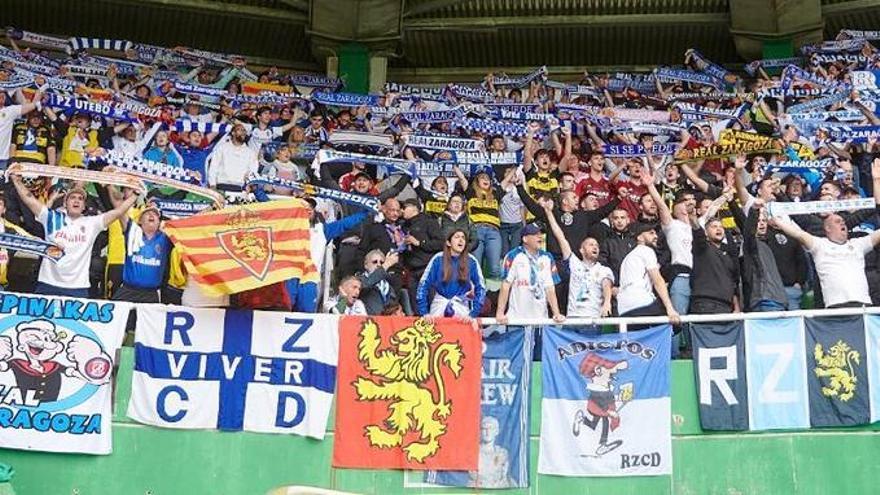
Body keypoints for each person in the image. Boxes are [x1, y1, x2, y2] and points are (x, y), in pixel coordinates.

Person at [769, 159, 880, 308]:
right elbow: (795, 221)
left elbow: (873, 209)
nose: (824, 201)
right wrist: (779, 195)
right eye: (821, 200)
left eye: (829, 201)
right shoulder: (812, 224)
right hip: (825, 287)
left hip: (860, 297)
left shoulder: (846, 223)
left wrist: (876, 180)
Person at [9, 173, 138, 298]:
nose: (76, 201)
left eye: (80, 199)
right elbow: (29, 199)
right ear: (65, 203)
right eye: (72, 197)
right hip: (47, 283)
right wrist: (16, 181)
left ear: (84, 207)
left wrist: (136, 195)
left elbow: (119, 211)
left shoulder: (92, 223)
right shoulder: (51, 217)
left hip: (78, 287)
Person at [542, 201, 613, 319]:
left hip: (593, 318)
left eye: (596, 245)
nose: (595, 247)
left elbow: (607, 286)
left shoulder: (603, 270)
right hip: (573, 318)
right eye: (590, 244)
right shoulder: (574, 263)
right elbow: (560, 236)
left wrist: (607, 302)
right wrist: (549, 212)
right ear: (581, 250)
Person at [495, 223, 564, 323]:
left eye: (541, 234)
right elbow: (506, 285)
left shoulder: (547, 257)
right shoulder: (513, 255)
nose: (540, 236)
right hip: (517, 319)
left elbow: (550, 288)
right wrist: (500, 313)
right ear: (525, 239)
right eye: (535, 234)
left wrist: (556, 313)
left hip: (540, 319)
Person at [616, 222, 680, 323]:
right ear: (640, 238)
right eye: (651, 233)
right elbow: (657, 280)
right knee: (675, 325)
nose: (655, 236)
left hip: (624, 309)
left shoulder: (628, 258)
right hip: (641, 303)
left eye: (655, 233)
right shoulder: (646, 250)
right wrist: (670, 309)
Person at [416, 228, 486, 319]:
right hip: (438, 306)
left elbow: (481, 288)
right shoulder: (437, 259)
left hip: (462, 309)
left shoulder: (472, 261)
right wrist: (424, 312)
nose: (461, 240)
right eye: (457, 237)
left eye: (463, 238)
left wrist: (473, 314)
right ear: (448, 243)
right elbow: (423, 285)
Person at [689, 217, 740, 314]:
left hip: (726, 306)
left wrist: (736, 307)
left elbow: (733, 282)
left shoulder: (728, 254)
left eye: (721, 227)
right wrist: (692, 216)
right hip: (705, 303)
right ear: (706, 233)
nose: (719, 229)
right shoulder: (702, 248)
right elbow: (697, 233)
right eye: (714, 227)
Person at [207, 123, 259, 190]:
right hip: (222, 185)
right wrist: (212, 184)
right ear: (233, 133)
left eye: (244, 130)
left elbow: (253, 170)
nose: (242, 132)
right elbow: (213, 167)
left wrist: (250, 185)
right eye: (239, 130)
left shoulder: (250, 152)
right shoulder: (222, 148)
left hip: (240, 188)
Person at [358, 249, 400, 315]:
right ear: (366, 265)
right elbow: (366, 284)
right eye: (375, 262)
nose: (379, 265)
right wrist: (385, 265)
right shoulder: (359, 280)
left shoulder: (388, 285)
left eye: (382, 262)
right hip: (369, 322)